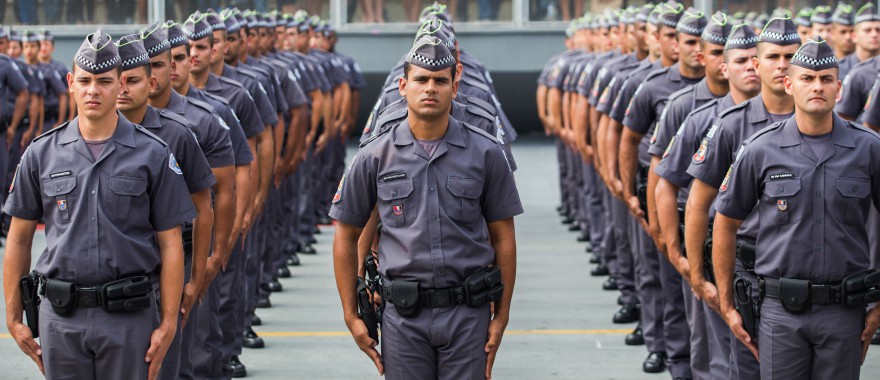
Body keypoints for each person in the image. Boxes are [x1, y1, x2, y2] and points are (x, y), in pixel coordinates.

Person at [2, 28, 195, 380]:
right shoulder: (41, 154)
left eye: (105, 81)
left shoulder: (152, 153)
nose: (94, 90)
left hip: (129, 318)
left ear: (120, 83)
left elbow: (171, 244)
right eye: (86, 81)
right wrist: (13, 318)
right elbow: (18, 238)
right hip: (61, 320)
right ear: (71, 82)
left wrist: (168, 323)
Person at [331, 36, 522, 380]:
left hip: (467, 315)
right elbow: (346, 235)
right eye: (421, 79)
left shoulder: (486, 153)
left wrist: (501, 315)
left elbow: (503, 237)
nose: (430, 88)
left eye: (440, 80)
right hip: (404, 319)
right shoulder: (374, 156)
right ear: (403, 86)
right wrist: (350, 313)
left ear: (455, 85)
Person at [713, 36, 880, 380]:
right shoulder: (760, 149)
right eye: (807, 78)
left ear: (839, 87)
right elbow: (726, 222)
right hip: (780, 313)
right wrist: (727, 303)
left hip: (844, 311)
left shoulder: (868, 149)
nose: (817, 87)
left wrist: (879, 304)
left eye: (825, 79)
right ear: (789, 84)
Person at [656, 22, 762, 380]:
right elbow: (665, 181)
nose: (751, 66)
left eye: (755, 58)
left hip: (773, 255)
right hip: (713, 246)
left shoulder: (796, 120)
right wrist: (676, 252)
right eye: (739, 59)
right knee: (712, 352)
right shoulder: (701, 117)